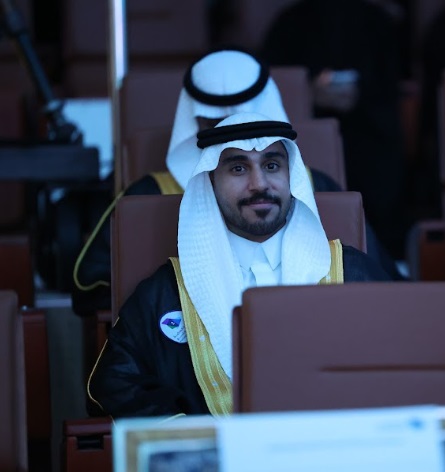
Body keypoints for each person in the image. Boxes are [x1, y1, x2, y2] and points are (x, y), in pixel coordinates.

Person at [88, 113, 391, 418]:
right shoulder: (168, 291)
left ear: (292, 177)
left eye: (272, 166)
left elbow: (398, 367)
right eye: (238, 169)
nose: (259, 184)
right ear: (210, 183)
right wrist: (191, 432)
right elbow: (113, 383)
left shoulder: (351, 273)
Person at [72, 47, 405, 317]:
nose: (258, 184)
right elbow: (89, 287)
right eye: (217, 127)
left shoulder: (316, 186)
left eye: (270, 164)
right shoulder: (149, 194)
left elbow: (387, 287)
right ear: (196, 123)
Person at [261, 0, 408, 259]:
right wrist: (309, 93)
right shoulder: (289, 24)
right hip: (304, 143)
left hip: (370, 135)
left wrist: (360, 94)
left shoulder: (378, 23)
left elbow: (394, 87)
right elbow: (273, 92)